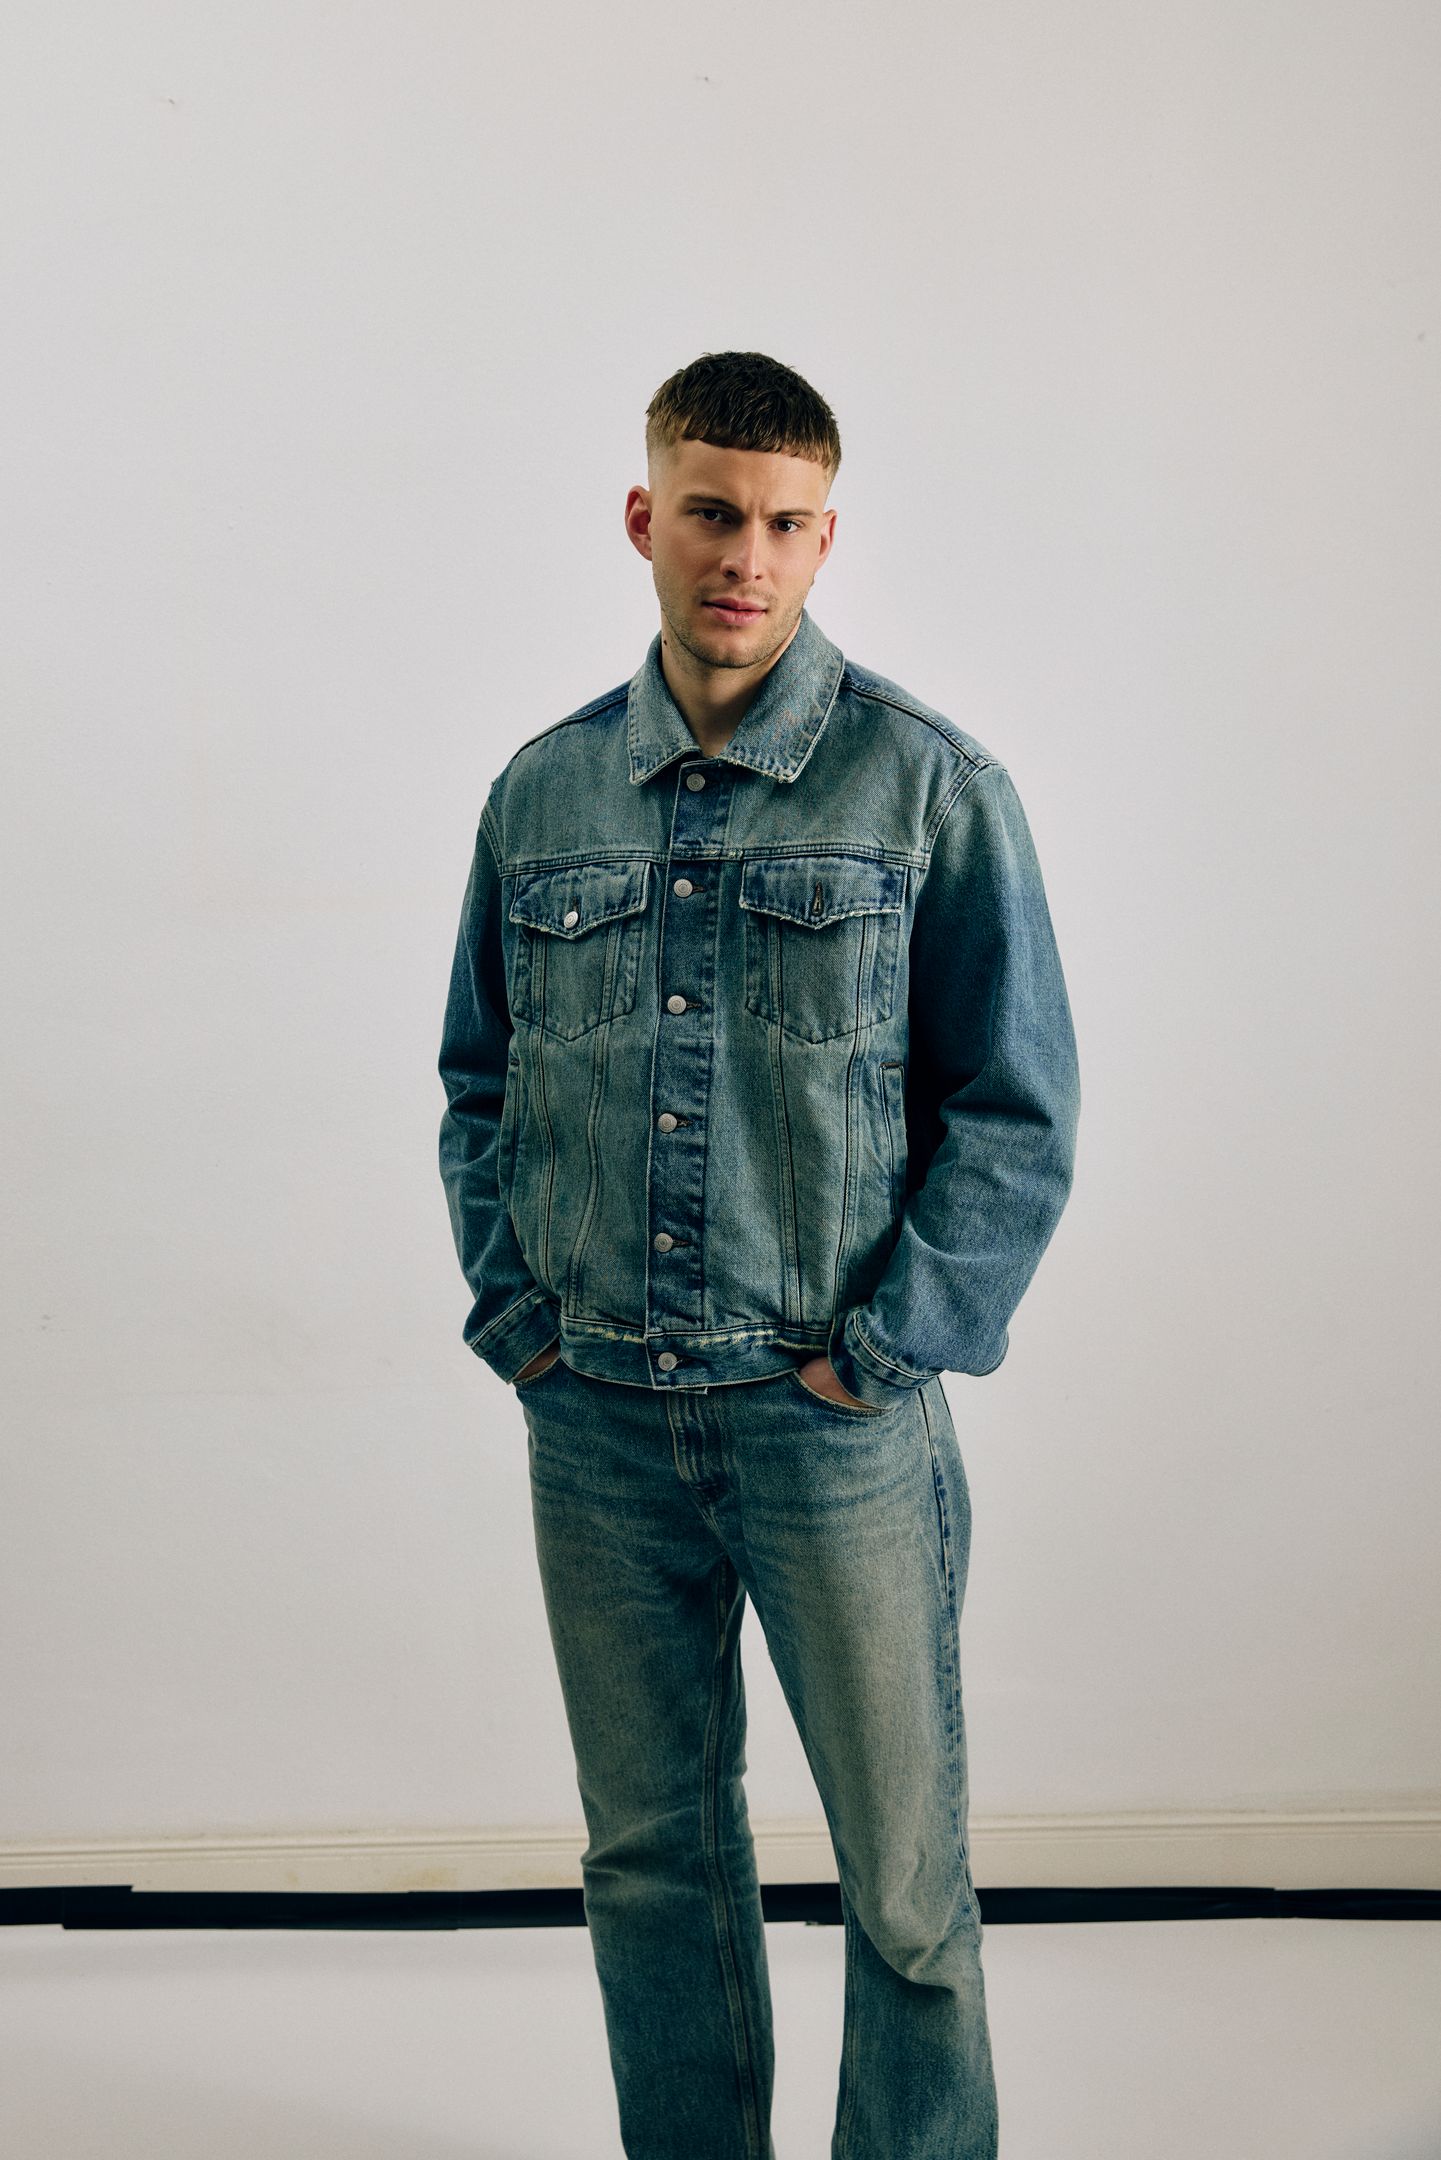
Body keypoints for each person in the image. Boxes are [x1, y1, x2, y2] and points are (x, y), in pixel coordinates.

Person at [437, 348, 1080, 2160]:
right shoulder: (543, 793)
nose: (746, 556)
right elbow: (478, 1080)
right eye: (712, 513)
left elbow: (1015, 1107)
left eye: (786, 524)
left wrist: (883, 1353)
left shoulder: (928, 786)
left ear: (824, 539)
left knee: (901, 1881)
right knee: (650, 1863)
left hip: (829, 1430)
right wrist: (518, 1316)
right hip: (598, 1422)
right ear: (645, 517)